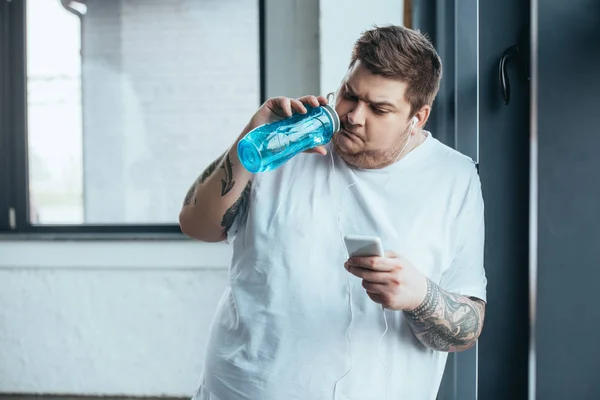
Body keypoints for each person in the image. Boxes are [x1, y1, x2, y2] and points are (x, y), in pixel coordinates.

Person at [179, 24, 487, 400]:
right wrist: (252, 137)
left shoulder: (453, 177)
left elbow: (467, 329)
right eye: (349, 94)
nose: (354, 115)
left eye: (379, 108)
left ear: (417, 118)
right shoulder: (287, 142)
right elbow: (196, 224)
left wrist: (420, 296)